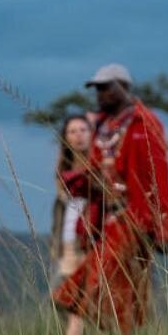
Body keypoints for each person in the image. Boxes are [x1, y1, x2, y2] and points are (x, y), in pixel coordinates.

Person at [52, 64, 168, 335]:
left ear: (123, 86)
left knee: (100, 291)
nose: (100, 94)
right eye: (97, 88)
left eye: (106, 87)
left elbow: (157, 177)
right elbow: (96, 171)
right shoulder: (105, 125)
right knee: (104, 294)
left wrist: (161, 226)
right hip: (104, 221)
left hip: (134, 220)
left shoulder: (143, 123)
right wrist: (78, 183)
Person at [50, 115, 95, 279]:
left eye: (83, 130)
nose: (79, 135)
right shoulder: (63, 170)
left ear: (92, 133)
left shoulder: (99, 170)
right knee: (61, 298)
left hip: (89, 244)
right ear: (66, 137)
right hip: (66, 245)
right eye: (72, 131)